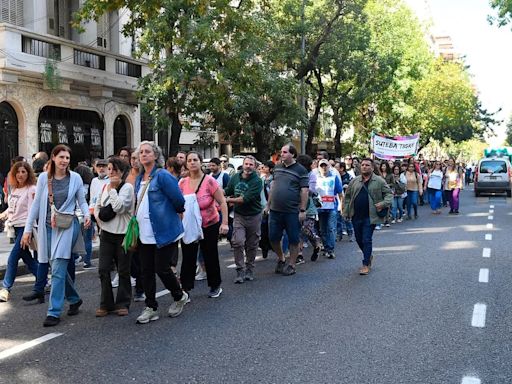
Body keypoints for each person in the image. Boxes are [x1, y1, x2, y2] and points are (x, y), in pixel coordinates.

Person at [21, 144, 91, 327]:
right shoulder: (44, 178)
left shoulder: (75, 178)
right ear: (53, 157)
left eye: (67, 158)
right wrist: (28, 230)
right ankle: (74, 299)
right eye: (61, 157)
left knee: (58, 267)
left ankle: (53, 312)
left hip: (68, 226)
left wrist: (87, 216)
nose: (65, 161)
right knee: (57, 268)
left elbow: (81, 201)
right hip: (48, 228)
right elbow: (36, 205)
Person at [133, 141, 189, 324]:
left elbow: (179, 201)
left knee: (162, 268)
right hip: (143, 233)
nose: (143, 155)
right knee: (146, 271)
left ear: (155, 156)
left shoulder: (163, 176)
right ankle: (151, 307)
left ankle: (179, 295)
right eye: (141, 152)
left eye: (147, 152)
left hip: (164, 232)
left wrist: (167, 217)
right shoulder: (139, 178)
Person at [179, 151, 229, 298]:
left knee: (210, 255)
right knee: (188, 257)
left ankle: (215, 285)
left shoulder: (209, 181)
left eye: (195, 160)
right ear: (186, 164)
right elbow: (178, 205)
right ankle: (185, 290)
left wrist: (224, 223)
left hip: (209, 224)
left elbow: (222, 202)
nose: (192, 162)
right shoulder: (182, 183)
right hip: (190, 225)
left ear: (201, 163)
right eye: (189, 160)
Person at [94, 157, 134, 317]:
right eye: (110, 169)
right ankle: (106, 303)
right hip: (107, 234)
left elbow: (119, 208)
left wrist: (113, 189)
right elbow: (97, 206)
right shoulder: (104, 187)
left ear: (122, 172)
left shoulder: (127, 188)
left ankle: (123, 302)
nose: (111, 172)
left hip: (123, 234)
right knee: (103, 269)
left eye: (115, 169)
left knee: (123, 270)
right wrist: (99, 220)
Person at [264, 143, 309, 276]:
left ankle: (292, 264)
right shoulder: (277, 167)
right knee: (273, 237)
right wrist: (267, 205)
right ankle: (282, 258)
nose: (281, 154)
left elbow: (304, 191)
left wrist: (302, 210)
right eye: (281, 152)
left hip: (292, 211)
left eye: (284, 152)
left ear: (292, 154)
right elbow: (273, 187)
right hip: (275, 210)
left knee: (294, 239)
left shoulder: (301, 170)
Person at [343, 158, 392, 275]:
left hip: (370, 216)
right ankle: (368, 255)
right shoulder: (354, 181)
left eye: (367, 165)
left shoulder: (379, 181)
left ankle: (365, 264)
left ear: (372, 167)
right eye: (363, 165)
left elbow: (389, 194)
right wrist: (346, 211)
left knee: (366, 239)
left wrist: (383, 203)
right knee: (359, 239)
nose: (364, 167)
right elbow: (348, 196)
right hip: (356, 215)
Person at [0, 161, 38, 302]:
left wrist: (27, 232)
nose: (20, 175)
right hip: (15, 227)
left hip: (25, 228)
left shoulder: (31, 189)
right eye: (18, 172)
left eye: (23, 172)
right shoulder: (14, 189)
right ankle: (43, 281)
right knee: (27, 258)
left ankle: (6, 288)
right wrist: (3, 215)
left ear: (28, 173)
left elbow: (32, 212)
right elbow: (12, 209)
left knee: (13, 258)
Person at [224, 155, 263, 283]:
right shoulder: (235, 177)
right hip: (239, 215)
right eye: (246, 164)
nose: (248, 166)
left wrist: (228, 200)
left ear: (255, 167)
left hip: (254, 215)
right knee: (238, 242)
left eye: (251, 164)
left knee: (252, 245)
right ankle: (240, 270)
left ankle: (250, 269)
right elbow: (228, 190)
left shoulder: (257, 181)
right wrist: (217, 192)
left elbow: (244, 199)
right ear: (243, 164)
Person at [315, 159, 343, 259]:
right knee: (322, 229)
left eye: (325, 166)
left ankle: (330, 250)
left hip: (332, 207)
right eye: (321, 166)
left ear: (329, 166)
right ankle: (326, 247)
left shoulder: (334, 177)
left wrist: (341, 207)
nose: (324, 168)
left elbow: (340, 193)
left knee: (331, 228)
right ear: (318, 167)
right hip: (320, 208)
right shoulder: (316, 178)